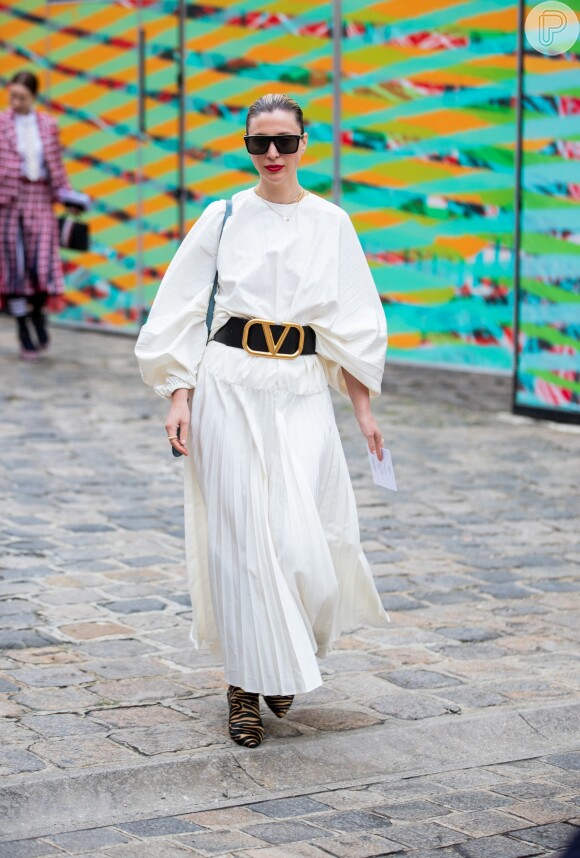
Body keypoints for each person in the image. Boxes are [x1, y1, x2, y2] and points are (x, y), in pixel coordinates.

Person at [135, 93, 389, 748]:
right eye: (259, 143)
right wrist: (178, 392)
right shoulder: (222, 217)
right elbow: (179, 308)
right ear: (247, 147)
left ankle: (286, 650)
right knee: (245, 543)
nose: (271, 154)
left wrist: (362, 411)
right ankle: (245, 687)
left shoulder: (332, 223)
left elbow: (355, 320)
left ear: (305, 144)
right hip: (229, 384)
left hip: (301, 388)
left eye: (283, 141)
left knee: (305, 544)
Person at [0, 70, 72, 359]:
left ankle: (39, 315)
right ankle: (22, 329)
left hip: (40, 197)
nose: (15, 102)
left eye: (22, 97)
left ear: (34, 97)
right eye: (12, 96)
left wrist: (69, 196)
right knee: (14, 268)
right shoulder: (1, 123)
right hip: (7, 202)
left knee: (41, 265)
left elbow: (56, 164)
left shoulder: (48, 125)